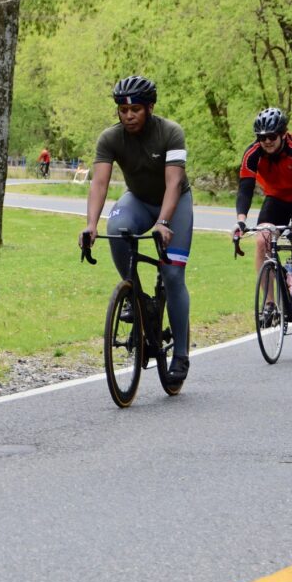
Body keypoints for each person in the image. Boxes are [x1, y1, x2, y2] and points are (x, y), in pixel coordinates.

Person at [80, 75, 194, 383]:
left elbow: (173, 183)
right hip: (138, 200)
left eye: (135, 109)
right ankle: (137, 298)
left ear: (150, 108)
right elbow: (100, 183)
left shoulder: (170, 132)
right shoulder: (110, 138)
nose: (128, 115)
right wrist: (90, 225)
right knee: (117, 228)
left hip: (175, 203)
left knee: (172, 274)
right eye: (122, 109)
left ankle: (181, 355)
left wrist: (163, 223)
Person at [231, 108, 292, 318]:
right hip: (277, 197)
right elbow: (245, 188)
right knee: (262, 241)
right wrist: (241, 221)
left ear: (283, 133)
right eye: (262, 137)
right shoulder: (252, 153)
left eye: (272, 136)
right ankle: (270, 303)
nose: (267, 141)